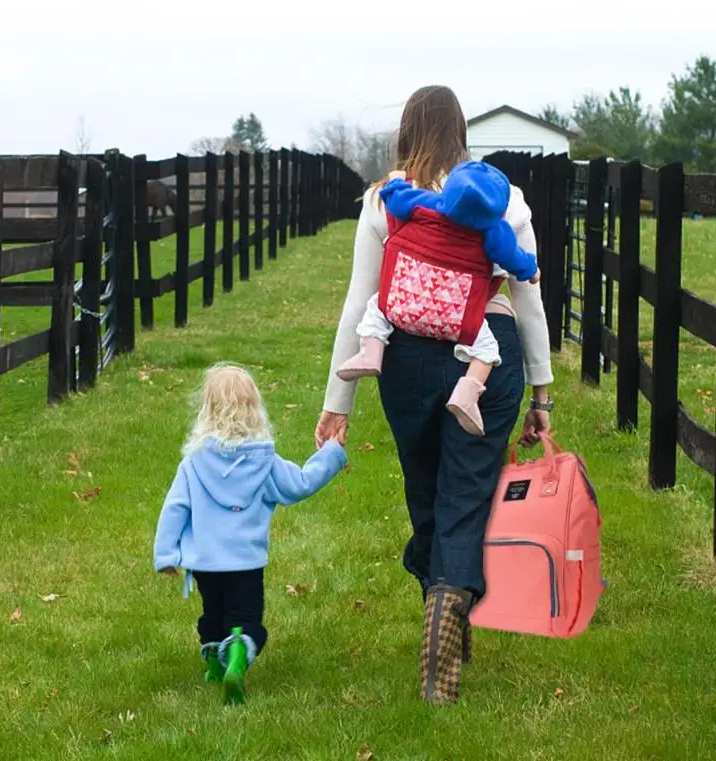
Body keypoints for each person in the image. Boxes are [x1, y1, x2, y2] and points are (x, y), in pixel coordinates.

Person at [315, 86, 554, 705]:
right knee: (467, 495)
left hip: (408, 359)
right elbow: (528, 295)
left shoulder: (385, 199)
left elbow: (358, 300)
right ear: (461, 132)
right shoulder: (507, 197)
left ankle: (440, 608)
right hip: (486, 354)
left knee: (426, 490)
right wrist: (543, 391)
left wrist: (335, 405)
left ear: (405, 132)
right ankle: (450, 614)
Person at [154, 364, 347, 704]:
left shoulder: (194, 463)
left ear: (208, 410)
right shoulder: (265, 462)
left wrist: (167, 555)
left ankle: (214, 664)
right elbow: (300, 483)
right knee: (245, 620)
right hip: (246, 562)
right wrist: (331, 452)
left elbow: (175, 508)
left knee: (212, 612)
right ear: (255, 409)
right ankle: (238, 658)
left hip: (206, 564)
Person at [335, 160, 541, 436]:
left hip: (403, 306)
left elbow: (395, 199)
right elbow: (514, 260)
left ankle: (371, 352)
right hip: (459, 319)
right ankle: (466, 394)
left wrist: (397, 178)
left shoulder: (425, 205)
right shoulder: (494, 232)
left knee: (376, 306)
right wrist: (533, 270)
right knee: (488, 350)